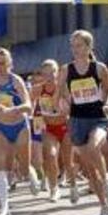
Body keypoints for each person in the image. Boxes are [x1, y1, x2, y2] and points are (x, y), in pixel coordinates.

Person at [58, 30, 108, 215]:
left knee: (93, 146)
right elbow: (60, 92)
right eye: (73, 46)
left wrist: (107, 104)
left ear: (89, 47)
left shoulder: (99, 68)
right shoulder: (66, 69)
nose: (75, 49)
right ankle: (104, 206)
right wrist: (64, 102)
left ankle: (107, 181)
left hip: (97, 117)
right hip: (77, 120)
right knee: (90, 169)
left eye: (79, 45)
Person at [0, 48, 34, 215]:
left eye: (2, 63)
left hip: (19, 126)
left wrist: (13, 110)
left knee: (24, 167)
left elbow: (28, 106)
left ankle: (30, 171)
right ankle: (3, 208)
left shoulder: (15, 80)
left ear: (9, 64)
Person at [32, 59, 75, 203]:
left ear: (58, 73)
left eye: (52, 73)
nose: (49, 77)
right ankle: (54, 189)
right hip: (49, 128)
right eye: (45, 74)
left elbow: (72, 105)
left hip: (65, 127)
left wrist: (66, 108)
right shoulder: (38, 89)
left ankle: (73, 186)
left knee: (68, 161)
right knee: (50, 155)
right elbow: (28, 102)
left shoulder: (63, 87)